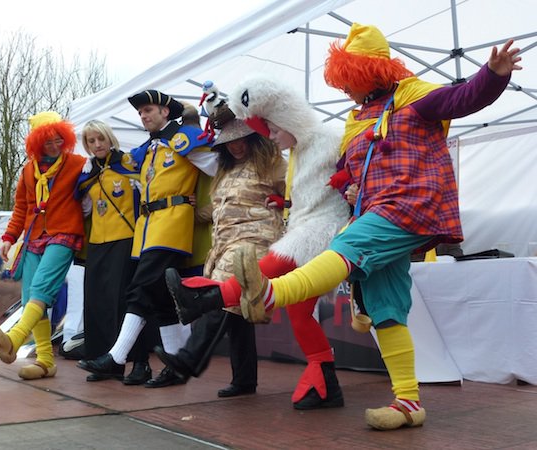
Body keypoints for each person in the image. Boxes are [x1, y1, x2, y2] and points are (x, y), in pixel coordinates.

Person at [196, 24, 521, 430]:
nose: (345, 90)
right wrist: (325, 188)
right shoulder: (357, 119)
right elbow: (346, 171)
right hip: (377, 211)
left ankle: (270, 293)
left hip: (408, 206)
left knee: (345, 247)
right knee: (386, 310)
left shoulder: (412, 97)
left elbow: (463, 97)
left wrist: (493, 75)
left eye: (348, 80)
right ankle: (408, 402)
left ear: (365, 72)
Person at [166, 75, 352, 409]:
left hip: (286, 236)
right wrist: (285, 204)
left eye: (269, 131)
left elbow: (354, 163)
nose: (240, 143)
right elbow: (302, 192)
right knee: (288, 311)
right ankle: (321, 381)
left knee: (249, 280)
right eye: (231, 141)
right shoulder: (272, 159)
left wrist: (351, 187)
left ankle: (199, 311)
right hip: (234, 240)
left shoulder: (288, 156)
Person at [77, 90, 217, 387]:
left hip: (172, 224)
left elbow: (218, 166)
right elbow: (121, 164)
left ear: (166, 112)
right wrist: (93, 163)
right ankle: (176, 366)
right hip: (149, 227)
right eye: (140, 112)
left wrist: (208, 202)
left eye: (148, 110)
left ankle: (116, 356)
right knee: (161, 299)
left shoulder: (183, 139)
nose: (143, 116)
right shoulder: (149, 147)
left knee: (140, 289)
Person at [156, 115, 286, 397]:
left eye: (241, 139)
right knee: (236, 311)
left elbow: (299, 192)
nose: (236, 146)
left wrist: (285, 202)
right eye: (229, 142)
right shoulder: (225, 172)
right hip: (224, 246)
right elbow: (218, 211)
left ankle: (189, 358)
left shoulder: (273, 164)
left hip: (256, 241)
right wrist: (183, 211)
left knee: (222, 299)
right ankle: (244, 380)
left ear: (253, 139)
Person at [0, 111, 86, 380]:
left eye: (58, 140)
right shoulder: (28, 170)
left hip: (64, 234)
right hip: (33, 236)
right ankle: (45, 361)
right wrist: (8, 238)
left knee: (41, 288)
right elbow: (22, 208)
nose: (53, 146)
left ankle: (14, 339)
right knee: (31, 297)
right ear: (36, 143)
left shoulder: (78, 164)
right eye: (47, 142)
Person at [76, 119, 159, 384]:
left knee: (126, 303)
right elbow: (84, 209)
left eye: (101, 138)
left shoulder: (128, 164)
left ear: (110, 138)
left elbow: (150, 189)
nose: (97, 144)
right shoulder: (86, 174)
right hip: (98, 243)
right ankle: (105, 361)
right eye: (91, 141)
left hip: (126, 240)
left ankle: (140, 363)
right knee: (97, 302)